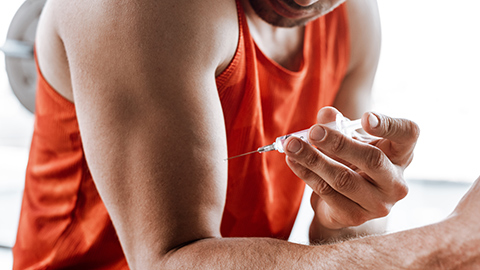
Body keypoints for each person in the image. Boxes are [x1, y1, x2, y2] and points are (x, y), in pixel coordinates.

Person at [11, 0, 479, 268]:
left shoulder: (352, 16)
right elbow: (169, 263)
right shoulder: (137, 7)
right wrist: (447, 246)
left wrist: (343, 219)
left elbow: (350, 241)